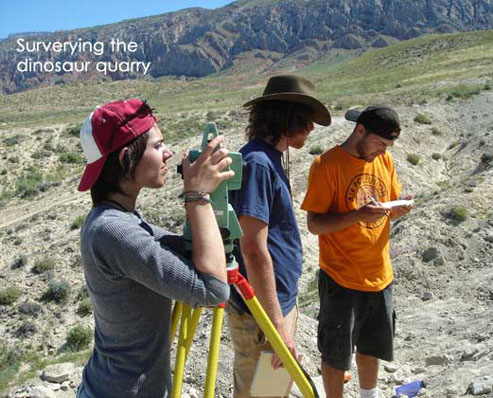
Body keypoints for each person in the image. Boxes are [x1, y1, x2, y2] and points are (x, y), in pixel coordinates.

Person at [76, 98, 234, 398]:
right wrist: (197, 195)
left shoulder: (117, 220)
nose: (168, 153)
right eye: (158, 146)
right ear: (126, 158)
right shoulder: (113, 231)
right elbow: (214, 290)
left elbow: (187, 253)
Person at [226, 75, 331, 398]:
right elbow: (253, 250)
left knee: (271, 392)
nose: (312, 127)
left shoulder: (267, 159)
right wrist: (276, 328)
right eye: (307, 119)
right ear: (288, 117)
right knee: (262, 395)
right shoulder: (258, 163)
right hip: (262, 314)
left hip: (273, 305)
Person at [301, 105, 414, 398]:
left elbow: (385, 209)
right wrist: (357, 216)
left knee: (371, 346)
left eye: (387, 146)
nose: (382, 151)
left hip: (379, 274)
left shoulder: (384, 161)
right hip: (341, 277)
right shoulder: (326, 165)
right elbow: (315, 224)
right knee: (336, 353)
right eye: (379, 143)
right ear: (360, 131)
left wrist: (398, 209)